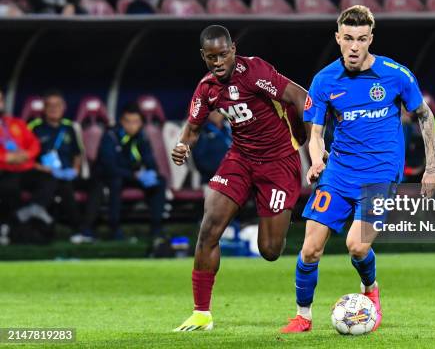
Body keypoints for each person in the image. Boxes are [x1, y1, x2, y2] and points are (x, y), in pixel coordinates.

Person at [280, 5, 435, 333]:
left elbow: (425, 115)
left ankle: (371, 290)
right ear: (337, 38)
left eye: (362, 39)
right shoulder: (324, 80)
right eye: (348, 38)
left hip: (380, 174)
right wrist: (317, 161)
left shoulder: (395, 74)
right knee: (310, 249)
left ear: (371, 39)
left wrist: (431, 169)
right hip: (338, 173)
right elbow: (315, 135)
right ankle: (303, 316)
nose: (355, 46)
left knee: (357, 245)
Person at [171, 24, 308, 332]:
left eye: (222, 55)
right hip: (241, 159)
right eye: (211, 57)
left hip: (278, 163)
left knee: (270, 251)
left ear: (233, 49)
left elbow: (301, 97)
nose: (217, 62)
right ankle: (201, 313)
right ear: (203, 57)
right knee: (209, 229)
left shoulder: (255, 71)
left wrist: (313, 146)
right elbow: (192, 129)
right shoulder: (207, 87)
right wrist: (182, 145)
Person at [84, 103, 166, 240]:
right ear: (121, 121)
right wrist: (135, 175)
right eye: (128, 121)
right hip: (110, 176)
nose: (132, 126)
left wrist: (151, 172)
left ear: (140, 123)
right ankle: (114, 228)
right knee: (116, 182)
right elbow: (109, 167)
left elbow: (149, 159)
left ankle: (156, 228)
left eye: (136, 122)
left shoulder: (142, 137)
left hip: (133, 176)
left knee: (160, 180)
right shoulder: (110, 136)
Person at [28, 89, 86, 243]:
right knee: (58, 184)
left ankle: (85, 228)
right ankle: (75, 230)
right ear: (44, 108)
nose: (54, 109)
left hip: (68, 173)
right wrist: (43, 169)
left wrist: (75, 169)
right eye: (50, 105)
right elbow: (27, 156)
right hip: (43, 174)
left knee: (96, 186)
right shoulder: (34, 127)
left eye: (57, 105)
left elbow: (77, 153)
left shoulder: (70, 127)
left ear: (64, 107)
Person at [0, 88, 57, 234]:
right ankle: (11, 225)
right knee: (9, 188)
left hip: (24, 167)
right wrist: (5, 157)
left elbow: (34, 143)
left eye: (0, 100)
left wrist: (26, 154)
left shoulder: (15, 123)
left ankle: (31, 211)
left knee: (49, 178)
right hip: (4, 170)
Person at [191, 110, 232, 182]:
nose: (215, 113)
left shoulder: (230, 129)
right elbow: (200, 160)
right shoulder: (201, 132)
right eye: (211, 110)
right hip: (213, 180)